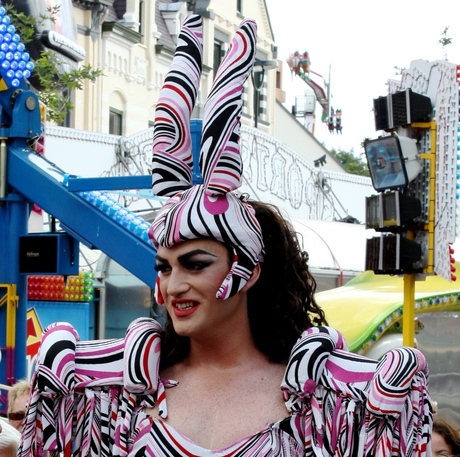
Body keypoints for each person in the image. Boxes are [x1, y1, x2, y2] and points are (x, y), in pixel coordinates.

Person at [18, 14, 432, 457]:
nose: (174, 285)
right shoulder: (105, 394)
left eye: (195, 264)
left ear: (248, 268)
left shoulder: (336, 404)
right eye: (164, 266)